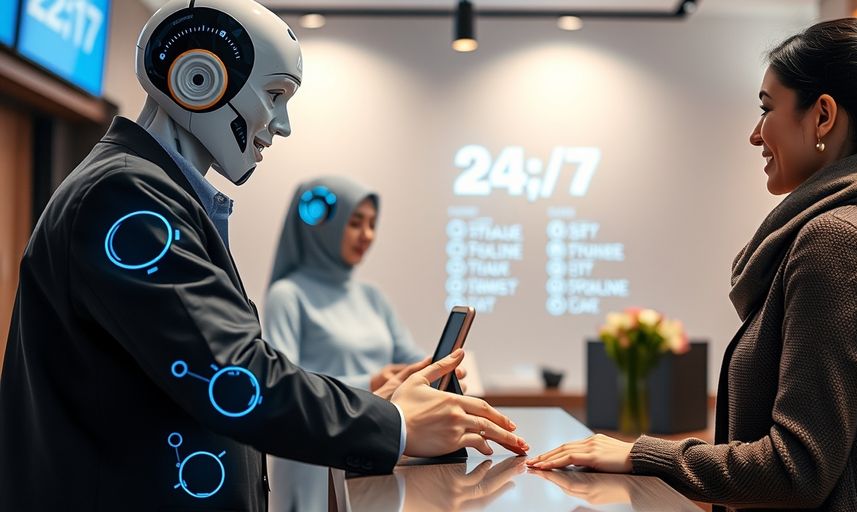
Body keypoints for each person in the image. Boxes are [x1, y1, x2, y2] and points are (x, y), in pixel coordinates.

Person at [0, 1, 525, 510]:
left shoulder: (143, 192)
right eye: (274, 95)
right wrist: (397, 425)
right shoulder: (126, 198)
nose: (282, 124)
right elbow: (233, 378)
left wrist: (381, 406)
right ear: (199, 80)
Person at [528, 4, 857, 511]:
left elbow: (794, 470)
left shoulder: (842, 241)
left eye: (766, 108)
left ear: (823, 116)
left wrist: (643, 454)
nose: (755, 134)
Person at [264, 176, 426, 512]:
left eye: (372, 224)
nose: (367, 235)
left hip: (372, 452)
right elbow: (282, 390)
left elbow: (411, 359)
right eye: (355, 223)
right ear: (321, 223)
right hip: (313, 462)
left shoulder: (372, 297)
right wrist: (371, 383)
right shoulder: (288, 295)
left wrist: (436, 371)